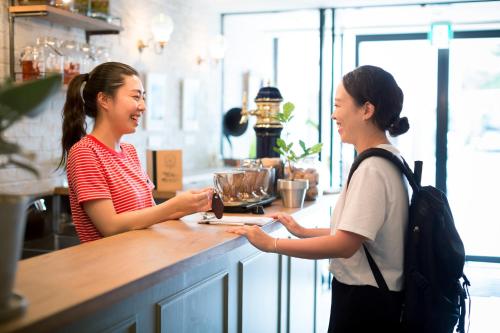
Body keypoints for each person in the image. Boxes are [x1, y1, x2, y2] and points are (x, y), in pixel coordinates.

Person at [229, 65, 410, 332]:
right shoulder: (388, 157)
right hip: (373, 298)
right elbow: (359, 233)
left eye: (338, 105)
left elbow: (345, 245)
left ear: (366, 110)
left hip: (367, 304)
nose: (333, 114)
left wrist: (272, 244)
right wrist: (302, 231)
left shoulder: (373, 168)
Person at [58, 62, 212, 243]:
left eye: (143, 98)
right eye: (136, 97)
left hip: (142, 259)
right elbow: (110, 226)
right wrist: (174, 205)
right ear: (104, 100)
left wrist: (190, 204)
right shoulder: (84, 153)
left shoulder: (129, 152)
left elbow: (149, 214)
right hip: (111, 267)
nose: (143, 106)